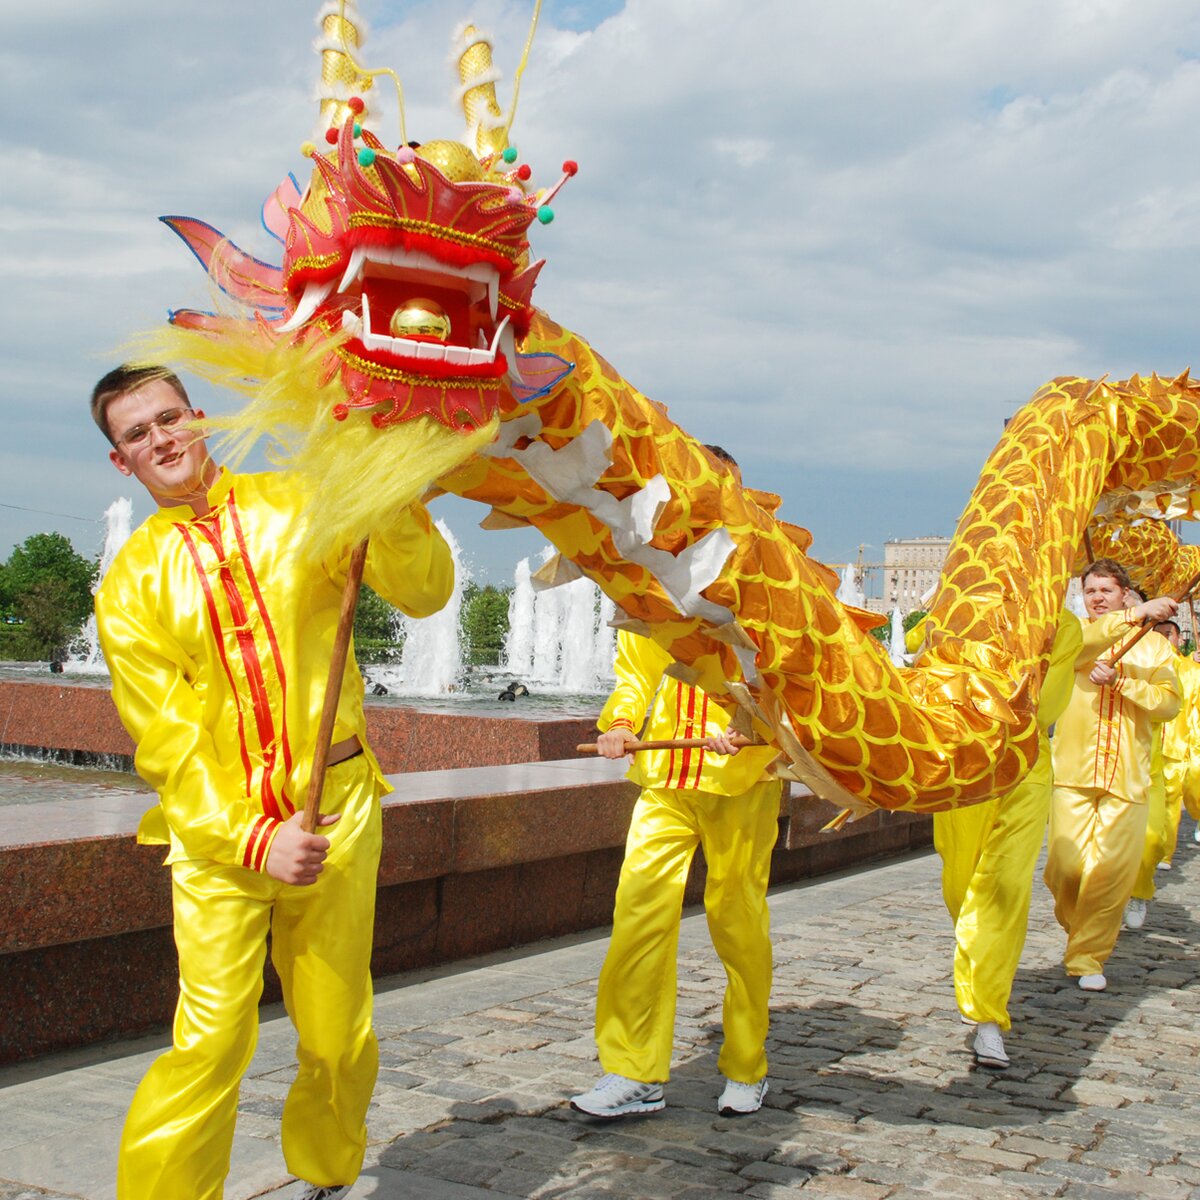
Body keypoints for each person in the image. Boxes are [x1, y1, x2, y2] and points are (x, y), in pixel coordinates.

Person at [91, 364, 454, 1200]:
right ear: (123, 464)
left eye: (169, 418)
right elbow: (168, 747)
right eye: (137, 434)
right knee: (212, 1040)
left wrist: (383, 481)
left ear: (200, 419)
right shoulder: (130, 586)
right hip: (221, 839)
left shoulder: (301, 503)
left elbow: (427, 592)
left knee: (334, 1033)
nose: (161, 440)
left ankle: (327, 1176)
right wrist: (256, 836)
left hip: (337, 811)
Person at [571, 446, 783, 1119]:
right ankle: (633, 1070)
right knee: (637, 916)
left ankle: (747, 1063)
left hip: (742, 776)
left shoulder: (768, 580)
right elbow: (635, 671)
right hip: (665, 776)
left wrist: (748, 719)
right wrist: (621, 724)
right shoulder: (649, 576)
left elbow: (786, 678)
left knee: (737, 921)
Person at [931, 608, 1082, 1070]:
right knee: (961, 889)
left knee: (1004, 890)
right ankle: (980, 970)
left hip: (1025, 768)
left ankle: (988, 1018)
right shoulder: (956, 610)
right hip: (962, 772)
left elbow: (1045, 707)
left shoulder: (1063, 625)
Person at [1044, 559, 1179, 992]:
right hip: (1072, 772)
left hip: (1127, 775)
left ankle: (1087, 956)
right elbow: (1081, 648)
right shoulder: (1074, 636)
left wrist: (1122, 682)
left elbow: (1168, 704)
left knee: (1108, 873)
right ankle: (1079, 929)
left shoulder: (1154, 648)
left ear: (1124, 592)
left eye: (1106, 590)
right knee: (1065, 867)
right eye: (1091, 591)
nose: (1097, 597)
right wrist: (1137, 616)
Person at [1127, 619, 1200, 929]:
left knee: (1158, 827)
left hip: (1183, 746)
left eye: (1168, 635)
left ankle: (1145, 877)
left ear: (1178, 637)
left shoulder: (1187, 667)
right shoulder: (1131, 660)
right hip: (1140, 754)